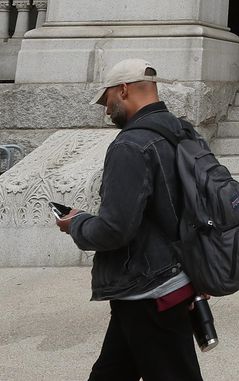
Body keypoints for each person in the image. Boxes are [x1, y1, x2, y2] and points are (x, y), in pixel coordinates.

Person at [55, 58, 205, 379]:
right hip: (167, 284)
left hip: (149, 290)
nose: (107, 111)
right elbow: (202, 209)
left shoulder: (130, 146)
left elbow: (114, 229)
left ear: (123, 90)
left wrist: (76, 223)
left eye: (107, 101)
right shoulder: (185, 133)